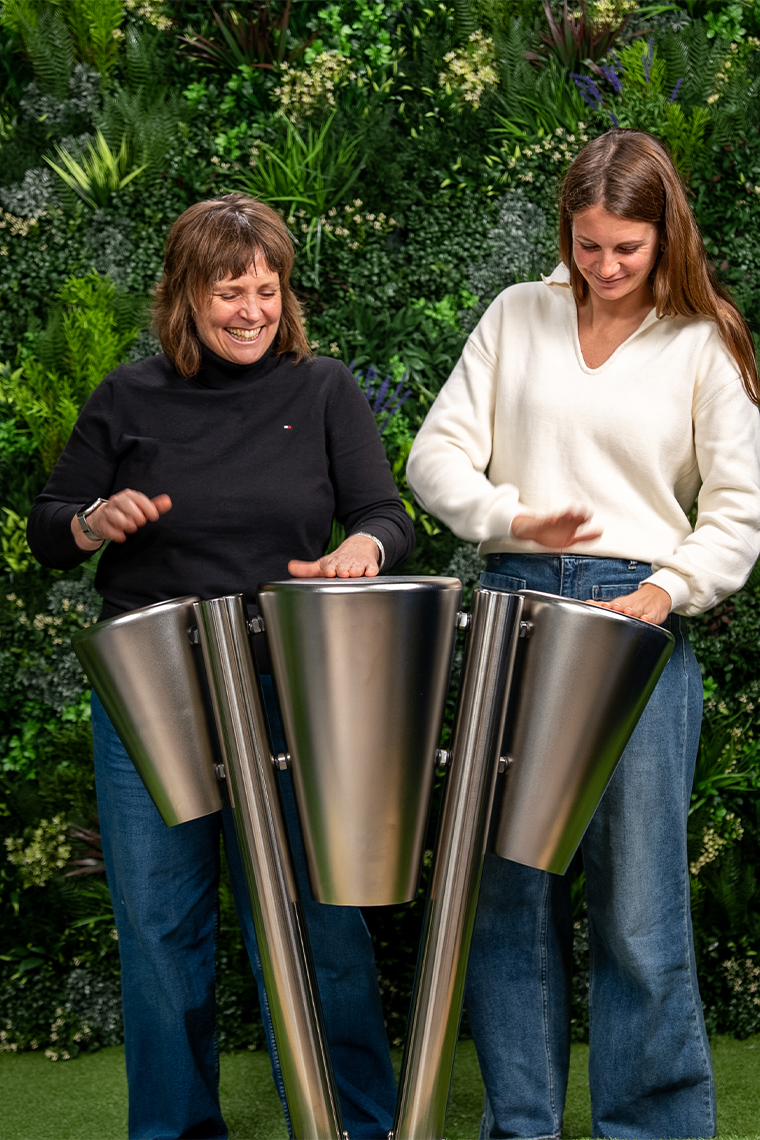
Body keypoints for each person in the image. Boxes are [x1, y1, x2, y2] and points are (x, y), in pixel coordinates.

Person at [27, 193, 414, 1140]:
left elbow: (385, 513)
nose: (250, 310)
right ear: (184, 298)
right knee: (161, 934)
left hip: (294, 688)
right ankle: (175, 1131)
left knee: (321, 918)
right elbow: (51, 529)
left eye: (266, 290)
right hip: (153, 688)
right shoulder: (128, 396)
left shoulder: (321, 389)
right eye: (228, 291)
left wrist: (364, 549)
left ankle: (351, 1125)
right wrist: (93, 521)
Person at [406, 128, 760, 1140]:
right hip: (516, 604)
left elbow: (736, 511)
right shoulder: (516, 314)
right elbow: (438, 458)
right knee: (509, 889)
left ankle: (647, 1128)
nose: (604, 268)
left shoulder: (704, 342)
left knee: (638, 906)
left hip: (633, 620)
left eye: (626, 249)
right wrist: (511, 520)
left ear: (666, 237)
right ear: (567, 227)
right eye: (588, 244)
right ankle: (519, 1124)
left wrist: (663, 591)